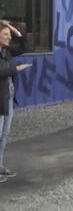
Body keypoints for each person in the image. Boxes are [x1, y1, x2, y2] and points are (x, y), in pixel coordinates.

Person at [0, 22, 31, 182]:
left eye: (9, 34)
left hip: (8, 96)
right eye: (5, 34)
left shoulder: (6, 50)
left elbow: (24, 46)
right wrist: (16, 69)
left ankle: (0, 165)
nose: (9, 37)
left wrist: (12, 28)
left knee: (4, 134)